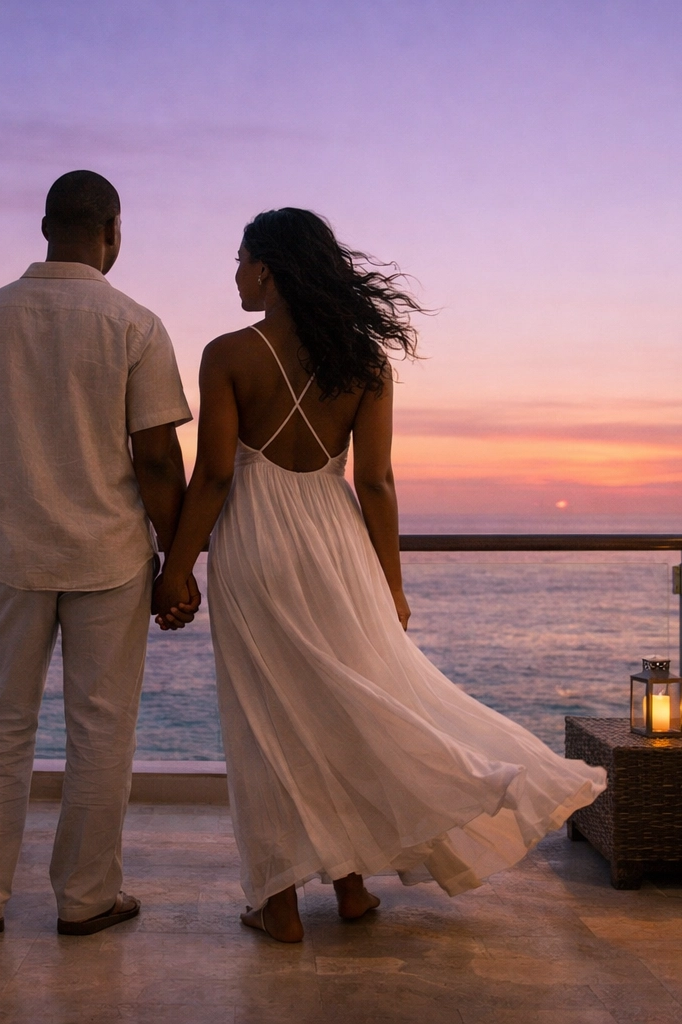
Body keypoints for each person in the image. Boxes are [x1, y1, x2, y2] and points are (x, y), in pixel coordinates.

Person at [152, 208, 607, 942]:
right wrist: (391, 584)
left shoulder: (228, 354)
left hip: (258, 545)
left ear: (267, 268)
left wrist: (175, 569)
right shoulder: (365, 362)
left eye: (240, 260)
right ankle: (352, 886)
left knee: (267, 721)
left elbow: (211, 476)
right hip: (338, 548)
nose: (235, 274)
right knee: (339, 712)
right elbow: (378, 485)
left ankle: (278, 903)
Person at [0, 170, 197, 937]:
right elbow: (157, 462)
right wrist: (176, 561)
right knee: (102, 730)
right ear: (114, 232)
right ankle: (86, 899)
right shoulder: (135, 324)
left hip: (12, 553)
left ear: (45, 227)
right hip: (109, 558)